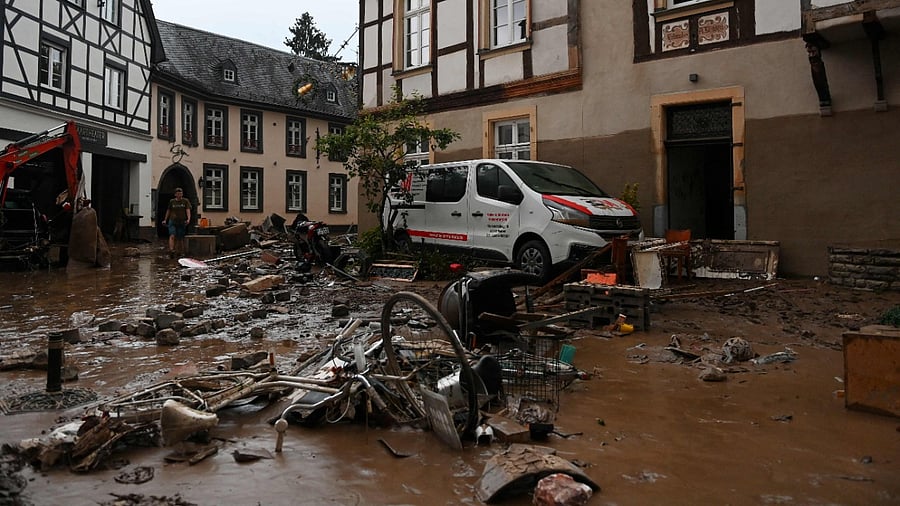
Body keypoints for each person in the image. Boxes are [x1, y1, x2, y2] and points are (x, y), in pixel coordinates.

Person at [163, 187, 191, 257]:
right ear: (175, 194)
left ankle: (179, 251)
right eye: (178, 194)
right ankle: (171, 250)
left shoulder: (185, 201)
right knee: (172, 235)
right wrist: (165, 219)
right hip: (172, 220)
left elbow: (188, 210)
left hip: (181, 221)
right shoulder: (172, 201)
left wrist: (188, 219)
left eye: (181, 194)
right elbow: (168, 210)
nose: (179, 195)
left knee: (180, 237)